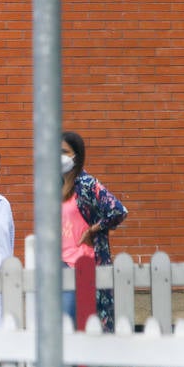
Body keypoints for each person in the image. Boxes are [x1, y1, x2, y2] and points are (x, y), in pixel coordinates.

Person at [61, 131, 128, 330]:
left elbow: (118, 210)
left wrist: (93, 230)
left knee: (73, 320)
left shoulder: (87, 184)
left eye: (64, 151)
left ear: (76, 155)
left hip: (82, 261)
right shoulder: (56, 186)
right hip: (59, 262)